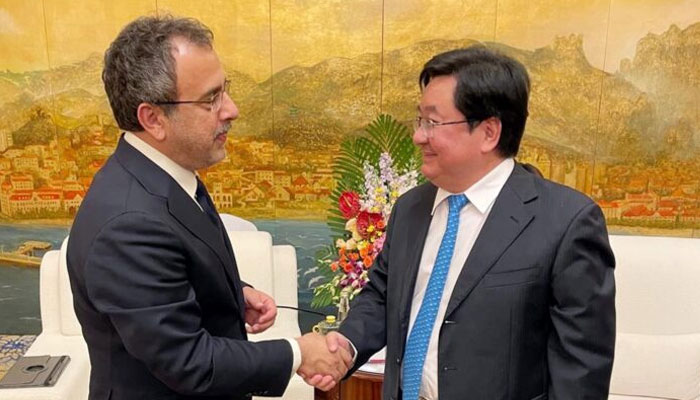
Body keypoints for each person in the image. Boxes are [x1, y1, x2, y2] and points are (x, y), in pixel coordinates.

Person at [66, 15, 350, 400]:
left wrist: (235, 292)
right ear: (153, 119)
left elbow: (176, 264)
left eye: (225, 90)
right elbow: (187, 362)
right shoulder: (129, 224)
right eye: (210, 99)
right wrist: (297, 353)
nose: (231, 110)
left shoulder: (163, 176)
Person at [314, 46, 616, 399]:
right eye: (419, 119)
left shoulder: (566, 222)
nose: (418, 136)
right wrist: (346, 345)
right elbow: (382, 295)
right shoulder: (410, 208)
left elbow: (581, 374)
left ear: (489, 132)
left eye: (433, 121)